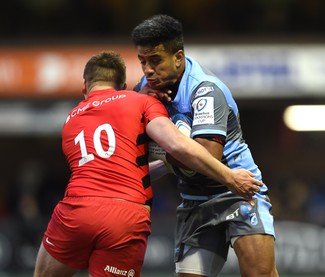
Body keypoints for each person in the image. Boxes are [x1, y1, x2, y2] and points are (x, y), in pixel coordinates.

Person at [33, 51, 263, 277]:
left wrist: (167, 164)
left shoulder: (71, 118)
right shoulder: (140, 101)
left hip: (76, 209)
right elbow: (177, 145)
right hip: (125, 215)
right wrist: (230, 177)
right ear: (123, 85)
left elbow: (117, 167)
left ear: (84, 86)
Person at [131, 14, 279, 277]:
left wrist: (158, 150)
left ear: (178, 57)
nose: (147, 70)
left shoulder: (204, 90)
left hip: (237, 189)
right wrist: (136, 103)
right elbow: (130, 142)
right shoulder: (145, 89)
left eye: (155, 61)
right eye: (142, 61)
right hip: (195, 200)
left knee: (259, 273)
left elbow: (206, 155)